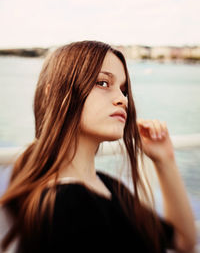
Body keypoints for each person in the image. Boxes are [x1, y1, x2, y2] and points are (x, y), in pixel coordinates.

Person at [0, 41, 196, 253]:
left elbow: (183, 241)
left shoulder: (108, 186)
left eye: (123, 90)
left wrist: (164, 159)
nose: (122, 99)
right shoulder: (65, 205)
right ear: (53, 94)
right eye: (103, 83)